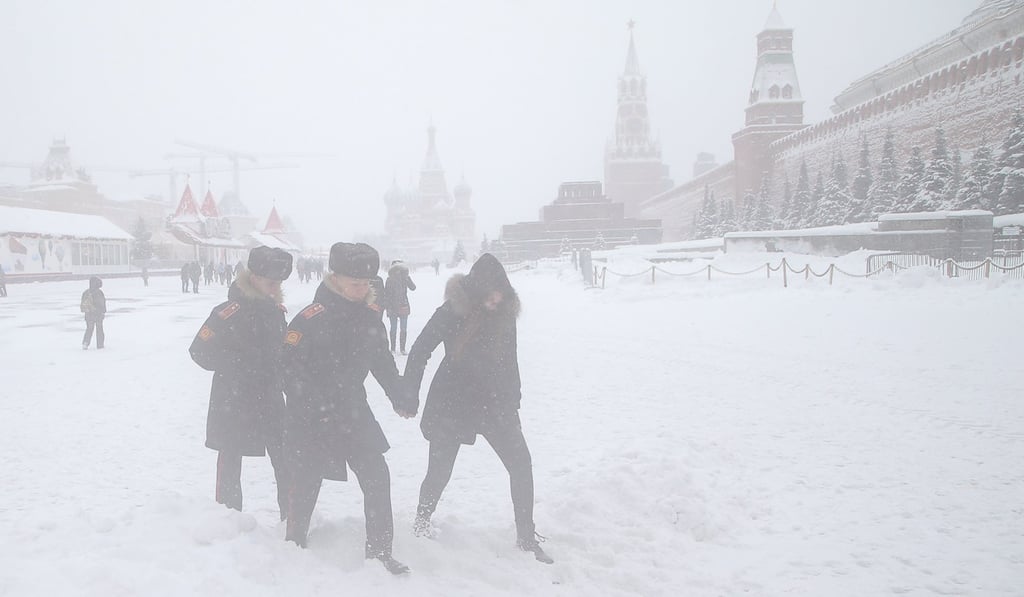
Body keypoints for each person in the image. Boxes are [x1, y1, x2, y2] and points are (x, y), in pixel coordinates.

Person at [403, 253, 552, 564]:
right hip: (452, 402)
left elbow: (510, 358)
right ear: (476, 290)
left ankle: (526, 536)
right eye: (491, 293)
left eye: (502, 293)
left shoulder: (504, 312)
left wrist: (514, 399)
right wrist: (410, 395)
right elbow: (419, 350)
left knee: (521, 464)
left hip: (495, 402)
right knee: (440, 470)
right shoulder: (451, 311)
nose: (496, 299)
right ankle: (422, 519)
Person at [281, 242, 418, 575]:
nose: (361, 289)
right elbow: (286, 369)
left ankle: (380, 552)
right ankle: (293, 544)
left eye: (366, 283)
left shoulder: (370, 319)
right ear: (335, 278)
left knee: (376, 475)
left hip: (353, 411)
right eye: (354, 282)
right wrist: (315, 406)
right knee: (307, 479)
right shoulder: (310, 317)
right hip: (312, 415)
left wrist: (400, 396)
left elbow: (382, 364)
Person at [188, 247, 293, 518]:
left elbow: (283, 353)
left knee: (285, 459)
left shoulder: (276, 312)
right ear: (254, 278)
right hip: (233, 399)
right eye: (271, 282)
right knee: (230, 459)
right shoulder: (227, 312)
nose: (275, 288)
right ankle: (228, 519)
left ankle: (292, 518)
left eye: (279, 283)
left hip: (270, 397)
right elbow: (199, 350)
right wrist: (238, 364)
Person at [383, 260, 417, 354]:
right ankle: (402, 349)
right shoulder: (404, 278)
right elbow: (413, 288)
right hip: (403, 305)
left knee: (394, 328)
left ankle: (393, 349)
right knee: (403, 328)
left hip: (392, 306)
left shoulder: (390, 279)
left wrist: (387, 306)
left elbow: (386, 294)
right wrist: (407, 277)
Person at [80, 276, 106, 350]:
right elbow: (102, 303)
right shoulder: (99, 293)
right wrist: (103, 311)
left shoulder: (86, 292)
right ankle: (100, 344)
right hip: (98, 314)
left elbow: (83, 303)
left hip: (88, 314)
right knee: (99, 329)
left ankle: (85, 343)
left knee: (89, 329)